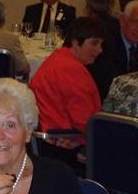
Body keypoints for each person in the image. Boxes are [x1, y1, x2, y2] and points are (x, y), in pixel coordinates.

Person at [30, 17, 103, 164]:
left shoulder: (57, 58)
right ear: (76, 42)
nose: (100, 50)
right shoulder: (70, 69)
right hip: (64, 145)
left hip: (47, 140)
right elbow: (84, 122)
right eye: (94, 43)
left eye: (101, 44)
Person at [88, 0, 138, 101]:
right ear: (122, 21)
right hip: (106, 103)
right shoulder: (105, 45)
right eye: (136, 22)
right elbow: (110, 85)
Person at [85, 0, 120, 101]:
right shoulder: (117, 24)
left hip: (95, 79)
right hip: (115, 76)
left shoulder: (89, 26)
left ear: (90, 9)